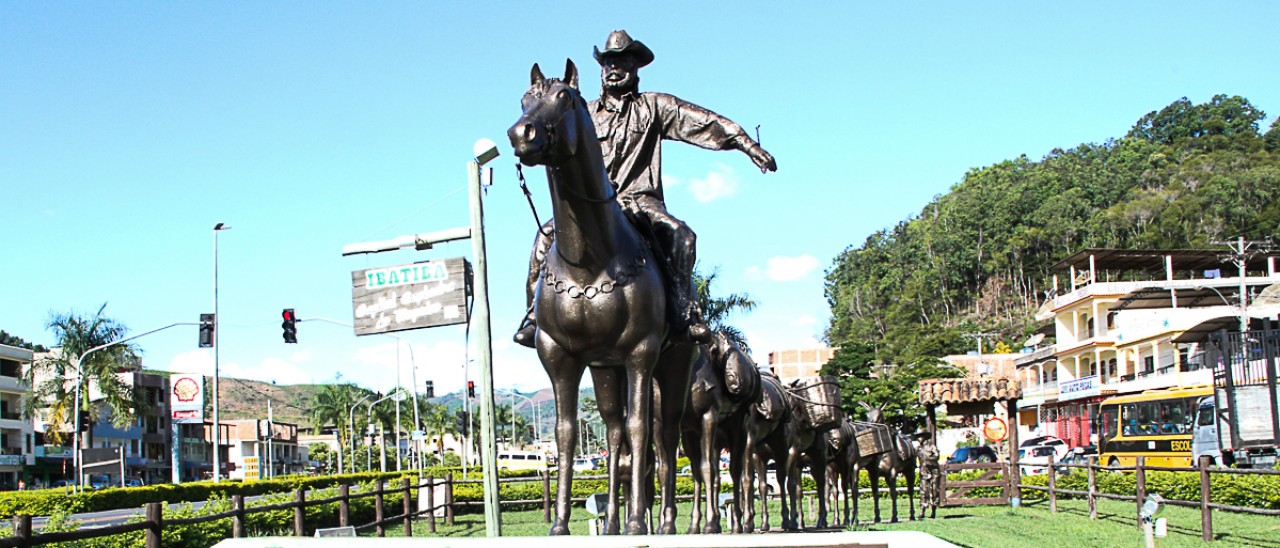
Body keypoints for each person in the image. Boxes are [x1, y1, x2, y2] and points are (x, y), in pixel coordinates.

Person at [514, 29, 777, 347]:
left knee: (682, 236)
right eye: (608, 62)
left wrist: (746, 143)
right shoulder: (585, 113)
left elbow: (703, 121)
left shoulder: (653, 106)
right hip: (593, 206)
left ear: (636, 66)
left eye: (622, 60)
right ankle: (534, 316)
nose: (614, 68)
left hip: (640, 202)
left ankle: (684, 310)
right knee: (544, 238)